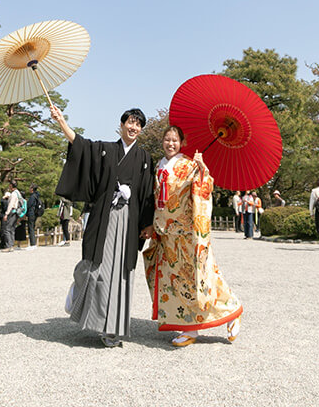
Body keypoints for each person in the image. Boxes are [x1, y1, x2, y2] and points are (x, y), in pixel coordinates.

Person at [51, 104, 155, 347]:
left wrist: (147, 224)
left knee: (121, 273)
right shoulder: (106, 150)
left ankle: (112, 329)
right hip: (105, 217)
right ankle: (80, 293)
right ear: (121, 125)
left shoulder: (144, 159)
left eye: (138, 124)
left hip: (128, 221)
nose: (134, 127)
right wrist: (61, 121)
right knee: (97, 268)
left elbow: (148, 194)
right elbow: (81, 146)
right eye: (130, 122)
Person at [143, 125, 242, 347]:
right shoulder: (158, 165)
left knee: (199, 277)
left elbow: (204, 188)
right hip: (165, 235)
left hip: (187, 235)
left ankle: (231, 310)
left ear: (182, 143)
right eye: (167, 139)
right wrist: (151, 224)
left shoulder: (189, 164)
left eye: (175, 140)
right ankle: (190, 326)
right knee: (175, 282)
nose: (170, 144)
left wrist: (201, 169)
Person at [1, 182, 22, 252]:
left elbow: (11, 204)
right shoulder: (18, 193)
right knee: (12, 229)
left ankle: (8, 245)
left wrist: (6, 214)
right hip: (16, 212)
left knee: (7, 229)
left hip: (12, 211)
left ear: (11, 186)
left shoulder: (13, 194)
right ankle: (12, 244)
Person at [25, 185, 42, 250]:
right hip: (35, 213)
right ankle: (33, 243)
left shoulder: (32, 196)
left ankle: (32, 244)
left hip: (31, 213)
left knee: (31, 228)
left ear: (32, 189)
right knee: (32, 227)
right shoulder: (36, 196)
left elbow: (29, 205)